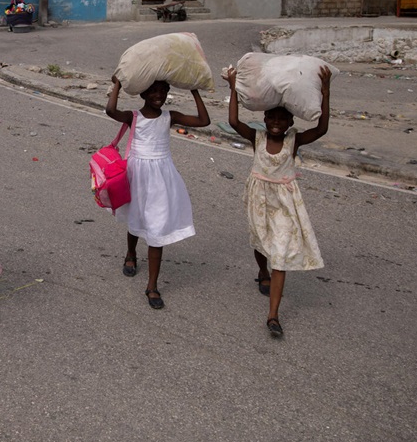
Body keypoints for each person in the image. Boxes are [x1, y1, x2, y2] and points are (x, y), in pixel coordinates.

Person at [226, 66, 332, 338]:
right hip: (258, 199)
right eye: (271, 117)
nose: (276, 123)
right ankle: (261, 271)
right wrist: (233, 87)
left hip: (284, 203)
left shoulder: (293, 142)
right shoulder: (257, 137)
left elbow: (321, 129)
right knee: (260, 242)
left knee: (280, 255)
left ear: (290, 123)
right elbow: (235, 122)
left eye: (281, 119)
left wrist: (325, 90)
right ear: (264, 118)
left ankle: (273, 315)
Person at [105, 77, 210, 309]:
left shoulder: (169, 116)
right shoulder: (134, 117)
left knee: (157, 227)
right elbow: (110, 110)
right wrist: (118, 85)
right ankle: (131, 253)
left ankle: (152, 286)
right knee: (136, 217)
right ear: (143, 95)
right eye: (153, 91)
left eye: (163, 91)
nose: (159, 96)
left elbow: (204, 121)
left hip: (162, 178)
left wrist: (194, 91)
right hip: (137, 175)